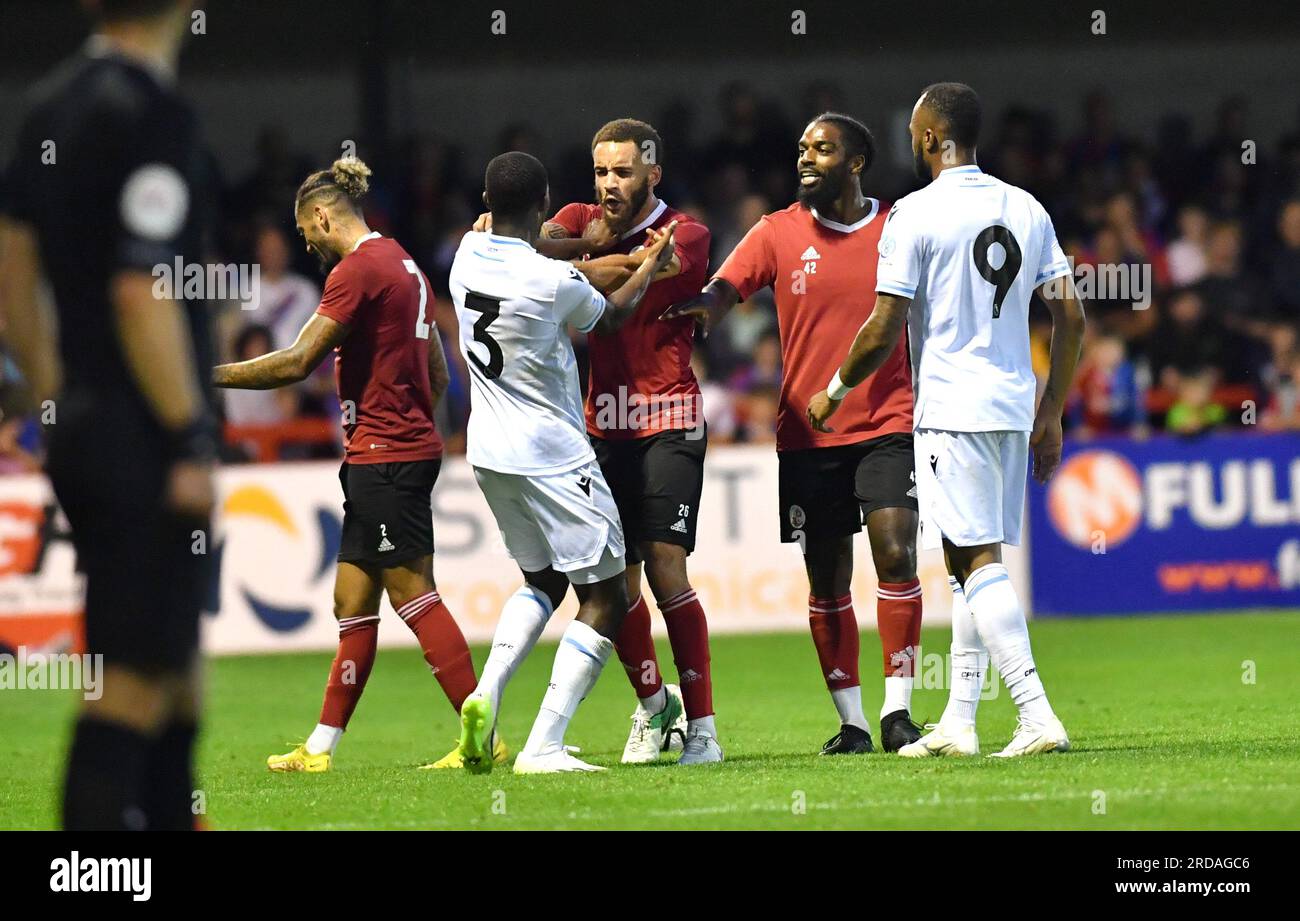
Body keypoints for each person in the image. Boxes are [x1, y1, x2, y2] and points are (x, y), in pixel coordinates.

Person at [808, 82, 1086, 758]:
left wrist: (836, 388)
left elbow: (882, 325)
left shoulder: (915, 214)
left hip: (952, 407)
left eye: (913, 131)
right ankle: (960, 719)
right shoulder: (1026, 206)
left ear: (931, 137)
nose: (910, 141)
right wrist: (1051, 411)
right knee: (970, 561)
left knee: (974, 559)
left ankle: (1034, 711)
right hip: (1012, 404)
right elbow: (1071, 315)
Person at [0, 0, 215, 829]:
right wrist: (186, 437)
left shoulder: (50, 103)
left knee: (175, 669)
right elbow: (141, 288)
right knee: (129, 679)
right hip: (144, 438)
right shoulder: (151, 111)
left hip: (86, 423)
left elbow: (13, 264)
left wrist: (55, 393)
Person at [665, 113, 924, 755]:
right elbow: (728, 285)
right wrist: (705, 305)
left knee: (895, 550)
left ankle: (898, 712)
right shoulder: (777, 231)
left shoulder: (900, 226)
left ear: (857, 161)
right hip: (809, 431)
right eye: (802, 148)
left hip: (888, 418)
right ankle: (854, 722)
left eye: (823, 149)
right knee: (827, 575)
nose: (806, 158)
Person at [213, 157, 481, 772]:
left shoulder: (357, 271)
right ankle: (321, 748)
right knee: (350, 599)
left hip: (386, 457)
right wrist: (405, 418)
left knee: (413, 592)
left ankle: (481, 728)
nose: (309, 244)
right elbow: (438, 369)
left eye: (308, 233)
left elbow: (297, 361)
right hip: (388, 451)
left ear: (322, 215)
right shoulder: (405, 263)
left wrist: (210, 379)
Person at [484, 118, 720, 764]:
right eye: (601, 172)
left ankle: (704, 729)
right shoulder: (574, 215)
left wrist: (588, 252)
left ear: (653, 174)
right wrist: (592, 246)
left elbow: (609, 286)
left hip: (668, 417)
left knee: (667, 564)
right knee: (615, 582)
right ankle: (654, 709)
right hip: (600, 427)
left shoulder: (690, 234)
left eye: (622, 172)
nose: (609, 184)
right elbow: (526, 243)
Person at [450, 152, 677, 773]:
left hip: (490, 453)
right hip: (552, 453)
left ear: (487, 201)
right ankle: (543, 744)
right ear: (545, 203)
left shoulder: (464, 255)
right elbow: (615, 316)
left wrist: (592, 248)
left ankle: (485, 695)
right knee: (605, 596)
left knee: (541, 581)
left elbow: (523, 243)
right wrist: (650, 263)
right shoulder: (553, 283)